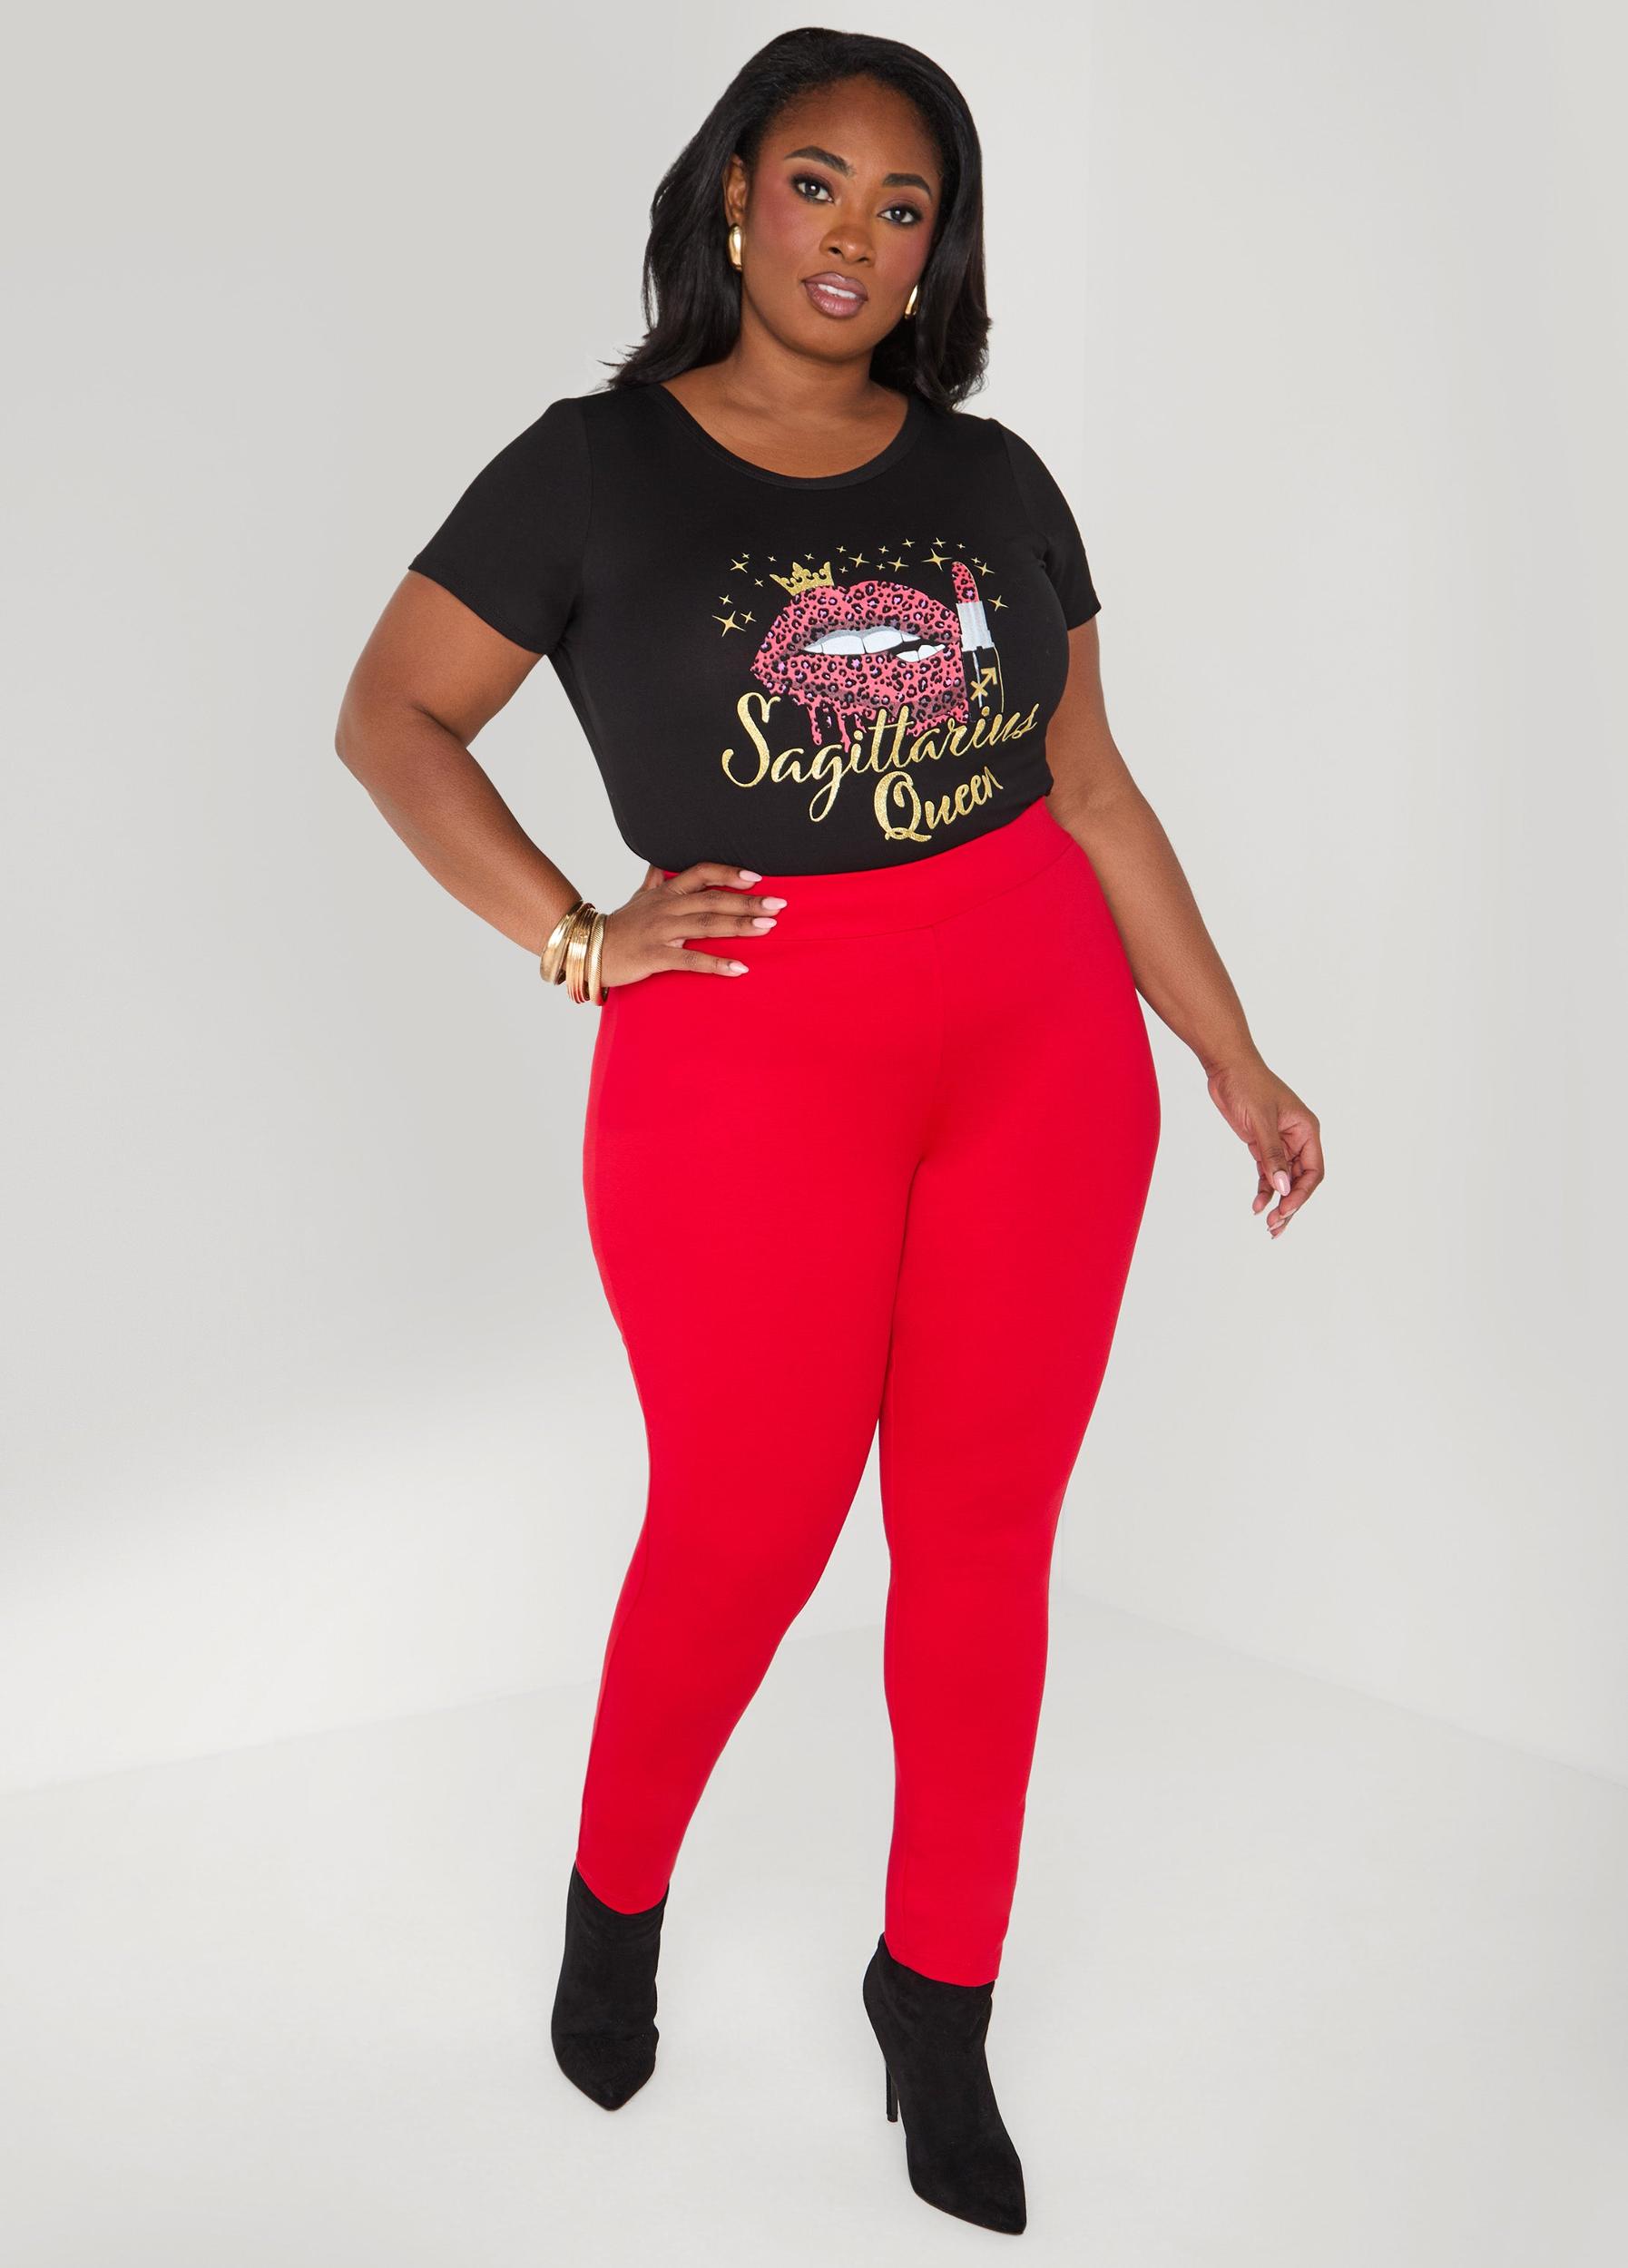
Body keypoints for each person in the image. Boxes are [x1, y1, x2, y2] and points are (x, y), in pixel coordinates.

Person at [334, 26, 1324, 2239]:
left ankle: (938, 1996)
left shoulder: (992, 478)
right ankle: (614, 1900)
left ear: (938, 246)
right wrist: (576, 933)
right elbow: (389, 714)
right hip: (747, 1062)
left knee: (980, 1544)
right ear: (731, 195)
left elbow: (1092, 787)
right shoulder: (590, 468)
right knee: (748, 1522)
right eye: (815, 185)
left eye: (904, 205)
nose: (855, 237)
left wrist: (1230, 1053)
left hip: (1041, 1048)